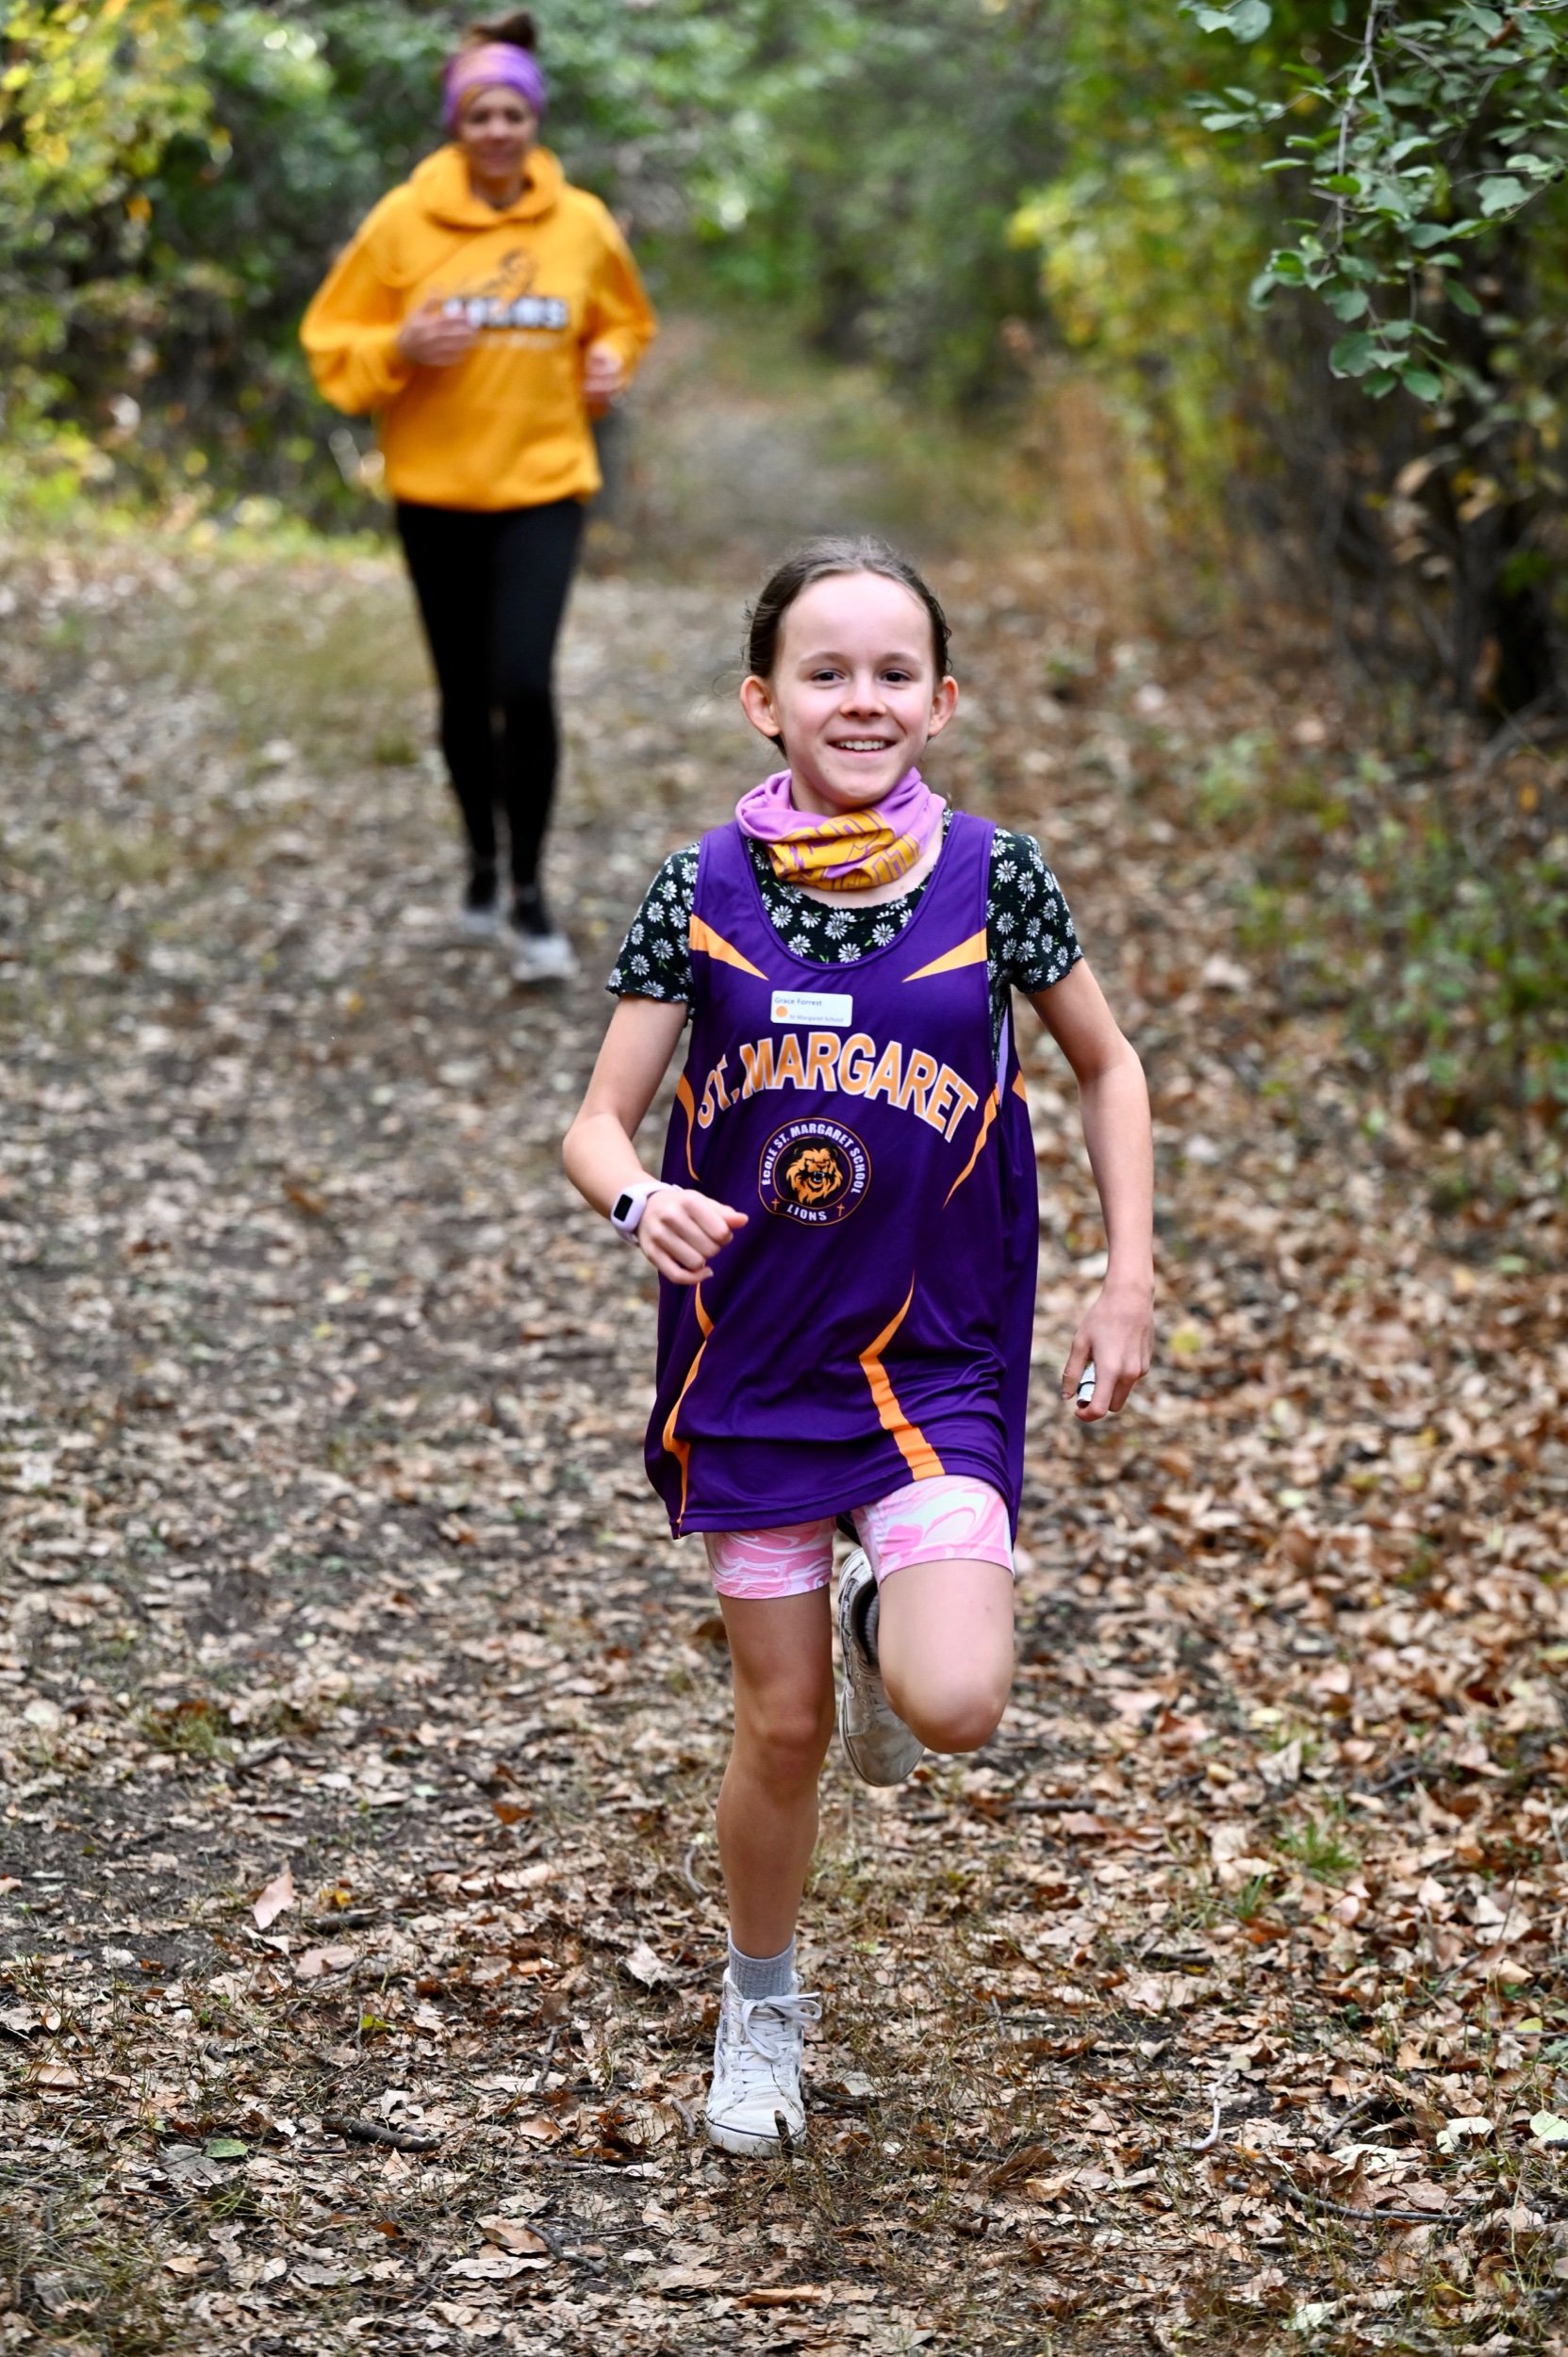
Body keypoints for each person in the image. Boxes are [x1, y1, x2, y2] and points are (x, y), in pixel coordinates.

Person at [562, 536, 1154, 2155]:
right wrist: (638, 1209)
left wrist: (1125, 1279)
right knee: (785, 1731)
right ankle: (760, 2008)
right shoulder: (702, 887)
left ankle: (895, 1599)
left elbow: (1107, 1070)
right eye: (825, 671)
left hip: (932, 1361)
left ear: (942, 700)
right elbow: (596, 1126)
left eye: (894, 671)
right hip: (750, 1371)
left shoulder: (996, 878)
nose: (861, 697)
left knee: (953, 1701)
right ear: (764, 703)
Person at [301, 11, 656, 981]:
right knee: (462, 694)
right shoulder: (401, 222)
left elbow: (624, 320)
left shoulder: (581, 223)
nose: (497, 129)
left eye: (512, 113)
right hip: (435, 492)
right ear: (457, 124)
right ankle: (481, 862)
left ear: (534, 120)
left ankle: (533, 895)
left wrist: (609, 359)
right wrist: (398, 350)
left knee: (524, 683)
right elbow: (333, 346)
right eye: (479, 114)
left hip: (544, 485)